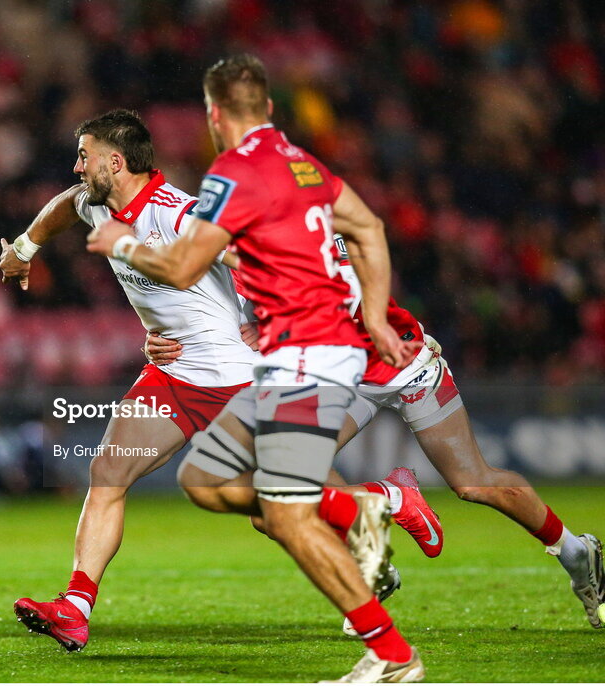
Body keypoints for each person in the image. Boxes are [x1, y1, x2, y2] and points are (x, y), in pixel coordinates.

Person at [0, 109, 412, 653]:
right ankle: (76, 608)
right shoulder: (95, 205)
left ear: (116, 163)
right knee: (107, 472)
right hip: (171, 376)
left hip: (237, 379)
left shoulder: (181, 217)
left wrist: (269, 320)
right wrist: (25, 249)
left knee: (278, 511)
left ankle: (387, 501)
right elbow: (61, 210)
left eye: (85, 156)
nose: (77, 167)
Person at [88, 55, 425, 682]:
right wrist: (375, 316)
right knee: (205, 478)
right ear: (268, 108)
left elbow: (184, 267)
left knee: (287, 513)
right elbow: (370, 228)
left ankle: (390, 647)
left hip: (307, 351)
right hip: (311, 349)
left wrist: (123, 244)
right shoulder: (304, 165)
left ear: (214, 115)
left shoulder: (230, 174)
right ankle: (366, 509)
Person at [162, 233, 605, 633]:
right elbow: (197, 310)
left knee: (474, 483)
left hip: (400, 364)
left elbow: (345, 307)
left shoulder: (313, 237)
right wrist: (157, 340)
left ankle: (574, 552)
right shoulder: (229, 252)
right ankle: (377, 547)